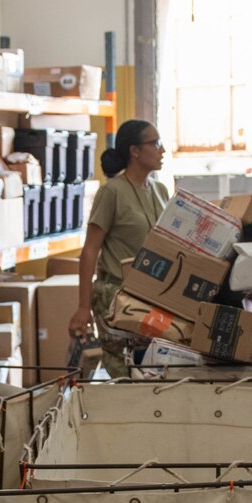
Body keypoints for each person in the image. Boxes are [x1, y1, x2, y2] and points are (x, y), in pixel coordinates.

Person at [67, 119, 170, 379]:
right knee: (126, 375)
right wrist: (82, 307)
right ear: (135, 151)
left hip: (153, 296)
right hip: (116, 297)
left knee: (154, 373)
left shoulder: (160, 190)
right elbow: (90, 250)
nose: (162, 150)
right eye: (155, 143)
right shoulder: (112, 192)